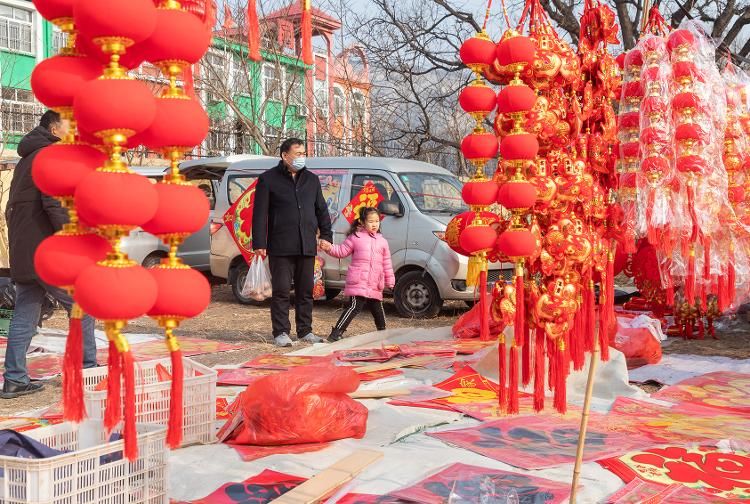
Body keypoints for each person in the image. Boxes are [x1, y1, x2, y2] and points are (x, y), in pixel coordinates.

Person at [2, 110, 98, 398]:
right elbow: (54, 204)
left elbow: (14, 209)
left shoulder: (26, 159)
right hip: (48, 252)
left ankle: (15, 378)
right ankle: (88, 372)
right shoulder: (52, 155)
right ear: (55, 127)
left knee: (25, 313)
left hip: (26, 251)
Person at [252, 138, 333, 347]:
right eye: (297, 153)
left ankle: (305, 330)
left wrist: (326, 235)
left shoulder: (312, 180)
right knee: (281, 290)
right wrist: (259, 242)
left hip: (306, 244)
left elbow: (321, 210)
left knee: (305, 290)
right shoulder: (268, 179)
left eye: (303, 153)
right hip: (280, 245)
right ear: (284, 156)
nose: (301, 157)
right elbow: (259, 214)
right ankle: (280, 332)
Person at [321, 207, 394, 342]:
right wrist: (329, 247)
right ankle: (336, 333)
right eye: (371, 221)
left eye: (377, 221)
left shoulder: (382, 241)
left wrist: (390, 281)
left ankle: (383, 333)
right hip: (359, 281)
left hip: (374, 283)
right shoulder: (356, 237)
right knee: (354, 307)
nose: (374, 224)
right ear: (362, 222)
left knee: (378, 308)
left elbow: (387, 263)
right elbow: (341, 251)